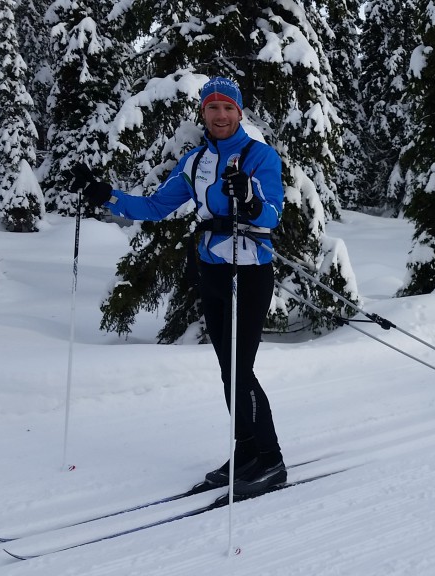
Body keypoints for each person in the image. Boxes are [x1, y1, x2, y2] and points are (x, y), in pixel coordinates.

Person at [70, 76, 286, 497]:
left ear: (239, 113)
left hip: (250, 268)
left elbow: (272, 214)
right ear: (203, 113)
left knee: (240, 369)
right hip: (213, 268)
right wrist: (104, 195)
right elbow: (153, 207)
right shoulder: (195, 162)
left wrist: (250, 197)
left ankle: (271, 460)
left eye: (228, 108)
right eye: (212, 107)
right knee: (228, 369)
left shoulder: (259, 156)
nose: (220, 115)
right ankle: (245, 452)